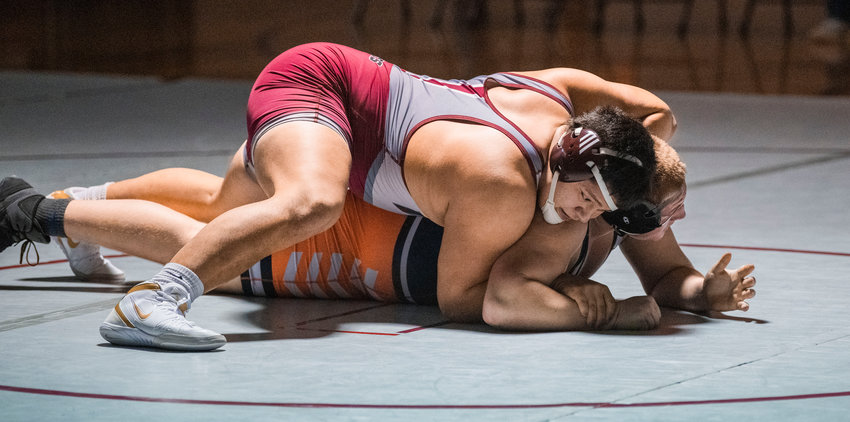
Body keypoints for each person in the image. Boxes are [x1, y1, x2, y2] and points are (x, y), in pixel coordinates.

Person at [1, 42, 674, 351]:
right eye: (588, 203)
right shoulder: (499, 182)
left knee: (221, 213)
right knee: (309, 205)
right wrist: (587, 310)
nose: (589, 220)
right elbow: (468, 300)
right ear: (564, 168)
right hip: (323, 95)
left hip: (349, 113)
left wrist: (657, 160)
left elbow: (655, 114)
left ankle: (71, 210)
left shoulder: (555, 97)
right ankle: (152, 301)